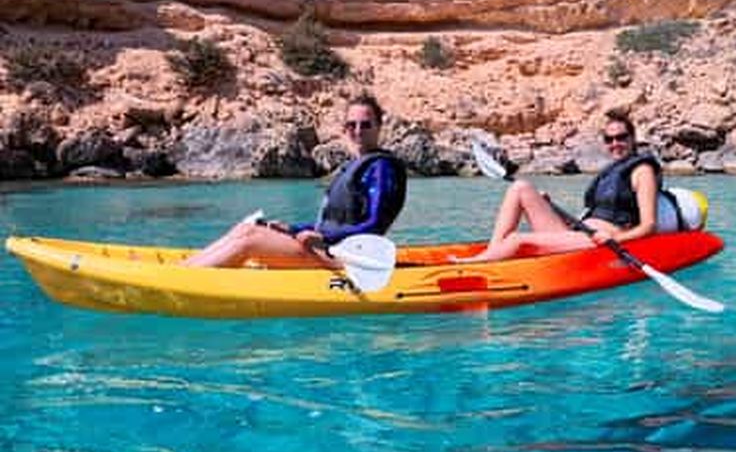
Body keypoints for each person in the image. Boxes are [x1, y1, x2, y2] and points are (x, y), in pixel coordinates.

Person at [184, 93, 407, 268]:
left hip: (347, 257)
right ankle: (184, 270)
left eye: (366, 124)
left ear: (379, 126)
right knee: (246, 228)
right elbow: (331, 222)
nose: (358, 131)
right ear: (345, 128)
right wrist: (291, 229)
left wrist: (323, 236)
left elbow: (374, 225)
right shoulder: (354, 166)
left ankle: (186, 279)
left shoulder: (382, 168)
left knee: (250, 239)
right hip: (327, 246)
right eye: (352, 125)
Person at [459, 109, 675, 263]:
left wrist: (614, 238)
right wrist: (551, 207)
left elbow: (649, 226)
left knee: (518, 240)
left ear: (633, 138)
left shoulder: (642, 171)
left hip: (600, 240)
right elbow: (586, 218)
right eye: (609, 139)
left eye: (621, 137)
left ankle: (478, 265)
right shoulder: (610, 172)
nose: (615, 144)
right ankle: (492, 253)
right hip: (579, 233)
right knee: (521, 188)